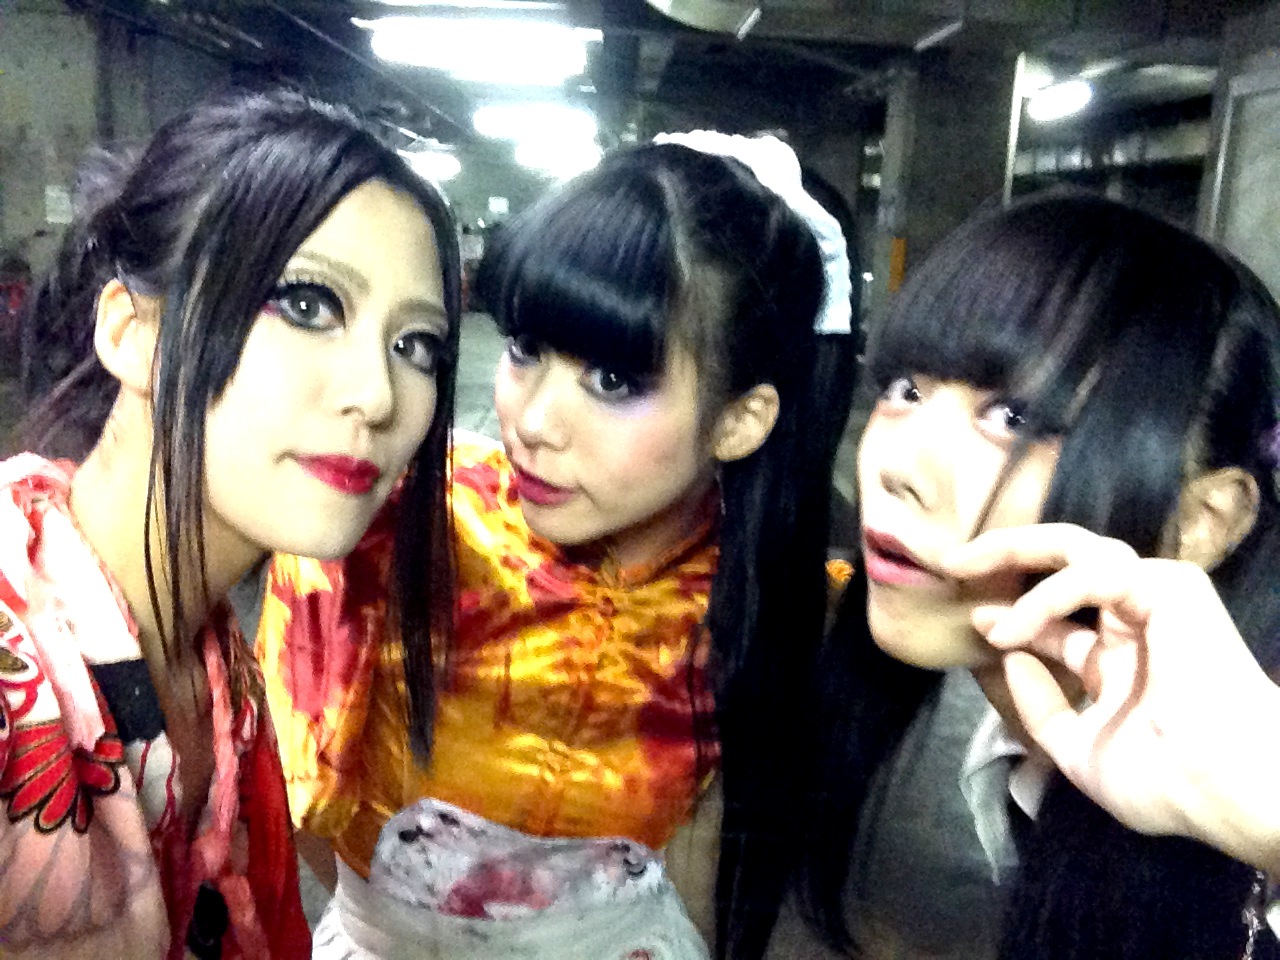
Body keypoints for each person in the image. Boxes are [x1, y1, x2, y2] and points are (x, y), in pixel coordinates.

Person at [256, 132, 857, 959]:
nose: (533, 421)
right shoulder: (392, 527)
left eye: (613, 381)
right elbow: (293, 802)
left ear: (738, 420)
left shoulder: (777, 603)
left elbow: (705, 865)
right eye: (526, 351)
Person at [0, 88, 461, 958]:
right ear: (133, 333)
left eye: (417, 346)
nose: (379, 394)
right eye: (310, 304)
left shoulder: (225, 681)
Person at [811, 192, 1280, 959]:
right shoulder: (994, 745)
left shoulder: (1251, 786)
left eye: (1014, 417)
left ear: (1203, 521)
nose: (897, 467)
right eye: (905, 390)